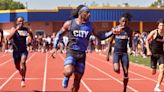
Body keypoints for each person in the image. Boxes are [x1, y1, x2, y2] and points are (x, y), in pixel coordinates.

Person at [51, 5, 117, 92]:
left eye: (90, 13)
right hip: (72, 52)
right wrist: (54, 47)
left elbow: (101, 36)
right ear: (80, 13)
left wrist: (112, 32)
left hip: (82, 55)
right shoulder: (70, 23)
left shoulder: (90, 26)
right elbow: (59, 34)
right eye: (87, 12)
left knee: (77, 81)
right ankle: (66, 76)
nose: (89, 14)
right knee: (68, 71)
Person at [7, 16, 33, 87]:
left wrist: (31, 36)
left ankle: (23, 79)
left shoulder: (26, 29)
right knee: (18, 67)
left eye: (22, 21)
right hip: (16, 51)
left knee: (23, 62)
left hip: (23, 50)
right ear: (16, 22)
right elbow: (9, 38)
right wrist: (16, 30)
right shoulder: (13, 29)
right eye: (19, 21)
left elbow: (31, 35)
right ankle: (21, 72)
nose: (21, 22)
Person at [111, 13, 133, 92]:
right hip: (116, 53)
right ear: (119, 21)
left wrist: (131, 48)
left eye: (125, 22)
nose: (124, 23)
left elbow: (130, 41)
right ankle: (117, 66)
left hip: (124, 53)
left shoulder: (129, 30)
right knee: (116, 69)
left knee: (126, 72)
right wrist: (107, 53)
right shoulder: (115, 29)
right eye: (123, 21)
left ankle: (124, 88)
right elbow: (110, 41)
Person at [146, 19, 164, 92]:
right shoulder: (154, 32)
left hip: (161, 54)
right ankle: (153, 68)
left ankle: (157, 87)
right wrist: (148, 50)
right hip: (153, 54)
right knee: (153, 72)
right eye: (160, 25)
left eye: (163, 25)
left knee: (162, 70)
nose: (162, 27)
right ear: (158, 26)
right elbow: (147, 40)